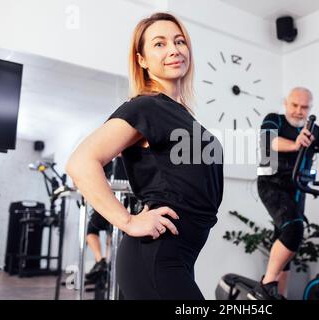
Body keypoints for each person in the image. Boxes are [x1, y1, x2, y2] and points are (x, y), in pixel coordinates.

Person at [66, 12, 223, 300]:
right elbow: (80, 162)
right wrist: (127, 221)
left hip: (180, 256)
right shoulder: (145, 107)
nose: (174, 49)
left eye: (179, 41)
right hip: (156, 254)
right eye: (159, 44)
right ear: (142, 60)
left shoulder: (183, 115)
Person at [254, 87, 319, 300]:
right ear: (286, 104)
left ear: (310, 108)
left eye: (304, 107)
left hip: (298, 190)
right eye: (294, 105)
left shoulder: (313, 130)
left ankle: (279, 296)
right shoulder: (275, 120)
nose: (299, 111)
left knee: (288, 238)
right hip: (272, 185)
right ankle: (267, 284)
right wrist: (296, 144)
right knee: (294, 228)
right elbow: (268, 141)